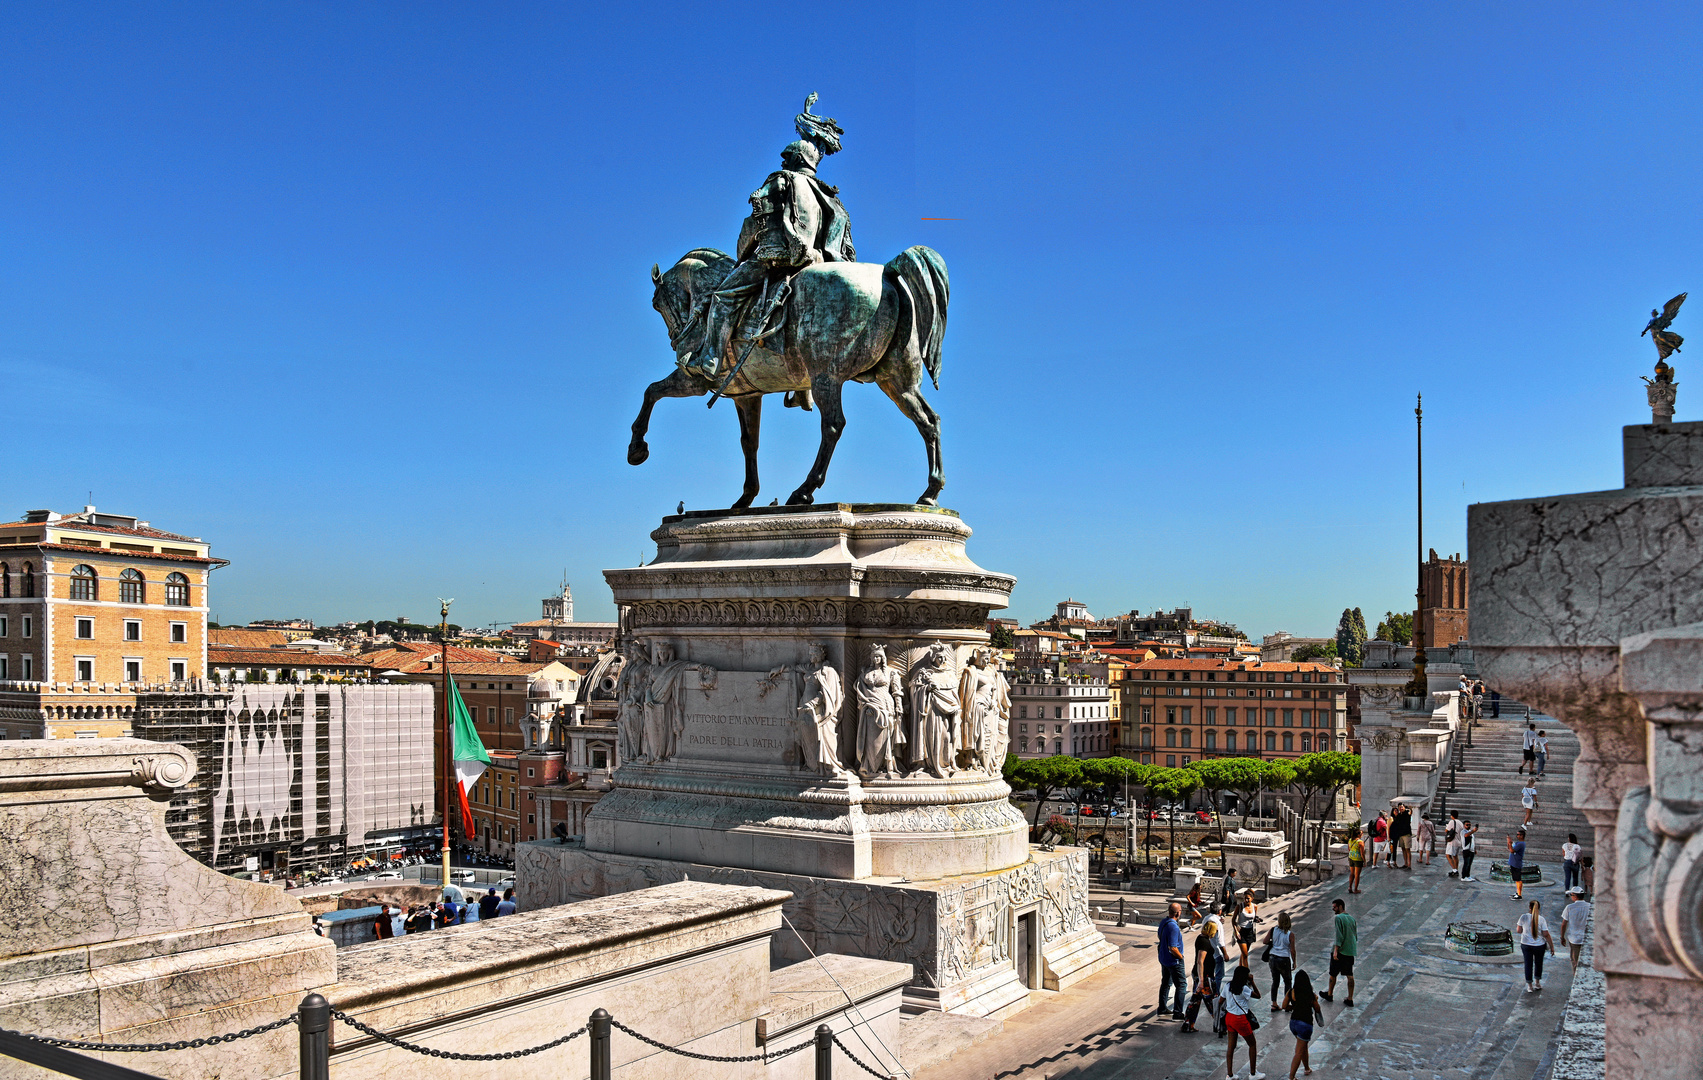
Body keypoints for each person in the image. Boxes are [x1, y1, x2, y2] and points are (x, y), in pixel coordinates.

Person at [687, 101, 855, 382]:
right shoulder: (829, 196)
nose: (782, 162)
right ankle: (802, 391)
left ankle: (711, 358)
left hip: (782, 260)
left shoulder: (782, 180)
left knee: (722, 298)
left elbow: (756, 221)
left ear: (794, 159)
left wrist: (741, 256)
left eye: (785, 158)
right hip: (817, 261)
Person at [1222, 964, 1265, 1080]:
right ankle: (1253, 1073)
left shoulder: (1228, 986)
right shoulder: (1244, 988)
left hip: (1229, 1017)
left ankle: (1230, 1075)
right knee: (1252, 1044)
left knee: (1231, 1047)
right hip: (1240, 1019)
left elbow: (1221, 1000)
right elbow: (1258, 995)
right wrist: (1253, 982)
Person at [1284, 969, 1324, 1079]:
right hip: (1305, 1024)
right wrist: (1315, 999)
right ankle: (1291, 1077)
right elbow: (1317, 1009)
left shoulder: (1291, 991)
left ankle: (1307, 1068)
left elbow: (1284, 1006)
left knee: (1303, 1046)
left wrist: (1294, 1007)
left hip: (1293, 1023)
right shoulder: (1310, 994)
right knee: (1299, 1051)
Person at [1320, 898, 1356, 1007]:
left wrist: (1336, 950)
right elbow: (1355, 935)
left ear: (1340, 906)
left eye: (1335, 907)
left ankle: (1330, 994)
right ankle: (1350, 998)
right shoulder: (1352, 919)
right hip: (1350, 951)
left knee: (1333, 974)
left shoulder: (1338, 918)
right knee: (1350, 975)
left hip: (1340, 951)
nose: (1333, 909)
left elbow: (1338, 936)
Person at [1516, 899, 1556, 992]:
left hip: (1526, 944)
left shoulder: (1523, 917)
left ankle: (1529, 986)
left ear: (1529, 907)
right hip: (1539, 945)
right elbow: (1546, 934)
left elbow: (1518, 930)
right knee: (1538, 963)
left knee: (1528, 964)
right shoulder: (1541, 919)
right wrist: (1552, 946)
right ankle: (1537, 983)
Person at [1158, 902, 1188, 1020]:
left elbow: (1160, 937)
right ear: (1177, 913)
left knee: (1165, 982)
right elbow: (1173, 947)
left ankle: (1162, 1008)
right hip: (1173, 961)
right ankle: (1178, 1012)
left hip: (1163, 958)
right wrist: (1180, 957)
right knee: (1181, 985)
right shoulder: (1174, 927)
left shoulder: (1164, 922)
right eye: (1180, 910)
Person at [1264, 910, 1295, 1009]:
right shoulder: (1290, 934)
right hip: (1284, 959)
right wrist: (1294, 962)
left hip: (1272, 957)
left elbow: (1265, 941)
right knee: (1287, 981)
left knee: (1275, 981)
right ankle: (1286, 1003)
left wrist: (1273, 941)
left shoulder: (1273, 930)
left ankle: (1274, 1003)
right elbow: (1292, 950)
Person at [1560, 887, 1591, 970]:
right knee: (1587, 962)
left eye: (1571, 895)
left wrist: (1562, 937)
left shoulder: (1569, 907)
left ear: (1575, 896)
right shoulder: (1590, 906)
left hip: (1574, 939)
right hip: (1587, 938)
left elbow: (1564, 924)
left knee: (1576, 963)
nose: (1570, 896)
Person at [1235, 889, 1261, 968]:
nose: (1246, 900)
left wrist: (1257, 919)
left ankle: (1240, 968)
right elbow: (1233, 920)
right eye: (1245, 898)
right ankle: (1246, 973)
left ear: (1252, 899)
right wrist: (1236, 931)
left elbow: (1254, 918)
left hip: (1250, 931)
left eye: (1248, 898)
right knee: (1245, 954)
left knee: (1244, 953)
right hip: (1241, 932)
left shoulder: (1255, 907)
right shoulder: (1239, 907)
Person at [1389, 804, 1413, 870]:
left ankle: (1409, 865)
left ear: (1404, 807)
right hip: (1400, 835)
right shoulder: (1399, 815)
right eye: (1400, 807)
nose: (1401, 808)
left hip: (1406, 834)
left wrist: (1410, 809)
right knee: (1403, 849)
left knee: (1407, 849)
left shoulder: (1407, 813)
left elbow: (1410, 813)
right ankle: (1405, 863)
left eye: (1402, 807)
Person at [1508, 827, 1529, 900]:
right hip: (1514, 862)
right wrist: (1509, 842)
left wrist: (1510, 843)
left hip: (1516, 863)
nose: (1517, 836)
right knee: (1516, 879)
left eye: (1518, 835)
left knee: (1518, 879)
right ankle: (1517, 892)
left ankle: (1519, 894)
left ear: (1522, 836)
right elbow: (1510, 848)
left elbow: (1512, 850)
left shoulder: (1521, 844)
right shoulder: (1518, 843)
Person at [1346, 827, 1365, 893]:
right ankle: (1356, 889)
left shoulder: (1350, 840)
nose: (1362, 834)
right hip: (1358, 859)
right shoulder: (1360, 842)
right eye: (1362, 833)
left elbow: (1349, 849)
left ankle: (1350, 887)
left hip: (1351, 857)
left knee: (1352, 873)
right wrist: (1364, 861)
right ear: (1358, 835)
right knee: (1357, 875)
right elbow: (1362, 853)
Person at [1444, 811, 1461, 877]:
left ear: (1452, 816)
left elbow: (1446, 830)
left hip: (1452, 841)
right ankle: (1456, 869)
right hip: (1458, 841)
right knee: (1455, 856)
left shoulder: (1452, 822)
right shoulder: (1460, 822)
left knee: (1448, 855)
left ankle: (1454, 870)